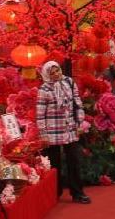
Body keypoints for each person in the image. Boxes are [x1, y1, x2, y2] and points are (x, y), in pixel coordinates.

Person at [36, 61, 90, 204]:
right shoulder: (44, 89)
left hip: (70, 129)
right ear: (47, 75)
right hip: (52, 131)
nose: (56, 74)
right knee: (54, 164)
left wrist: (79, 123)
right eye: (52, 73)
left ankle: (77, 193)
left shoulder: (69, 82)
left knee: (74, 161)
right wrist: (43, 134)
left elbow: (77, 103)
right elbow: (40, 114)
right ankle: (54, 193)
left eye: (57, 70)